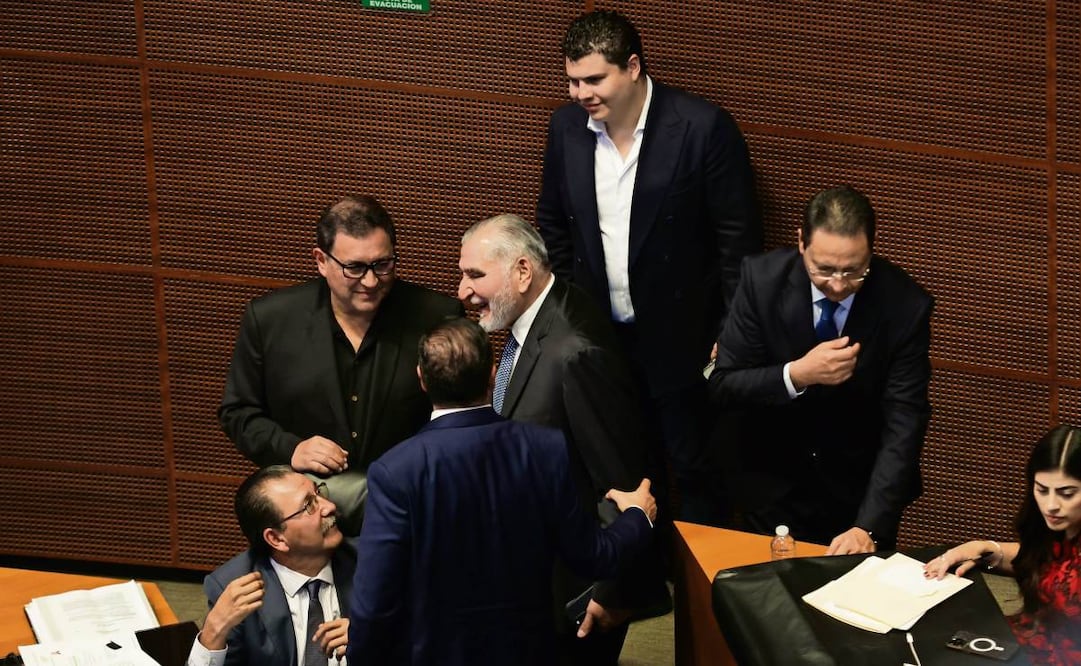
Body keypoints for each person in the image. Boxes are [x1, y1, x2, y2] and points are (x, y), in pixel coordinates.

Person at [536, 10, 762, 524]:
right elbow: (553, 224)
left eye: (594, 79)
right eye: (572, 80)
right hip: (600, 338)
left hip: (686, 339)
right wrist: (569, 310)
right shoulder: (566, 128)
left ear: (633, 67)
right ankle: (636, 568)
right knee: (620, 472)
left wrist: (732, 333)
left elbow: (738, 245)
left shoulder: (702, 128)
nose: (579, 93)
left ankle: (698, 574)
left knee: (695, 471)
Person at [347, 317, 657, 665]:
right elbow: (593, 555)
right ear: (493, 374)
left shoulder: (394, 472)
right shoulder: (544, 449)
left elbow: (373, 605)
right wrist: (637, 516)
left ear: (421, 379)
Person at [457, 213, 668, 665]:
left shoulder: (576, 352)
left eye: (475, 275)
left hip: (577, 593)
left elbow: (623, 481)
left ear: (522, 271)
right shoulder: (539, 317)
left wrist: (611, 589)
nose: (462, 290)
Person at [219, 195, 463, 534]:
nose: (371, 281)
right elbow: (238, 412)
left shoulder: (437, 317)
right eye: (355, 268)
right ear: (321, 260)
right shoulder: (270, 320)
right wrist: (292, 448)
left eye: (383, 264)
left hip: (410, 513)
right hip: (309, 521)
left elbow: (460, 418)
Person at [710, 185, 933, 553]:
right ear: (802, 242)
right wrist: (796, 374)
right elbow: (723, 384)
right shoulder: (761, 281)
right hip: (771, 481)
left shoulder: (905, 305)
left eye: (854, 271)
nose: (838, 285)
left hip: (858, 490)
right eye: (825, 270)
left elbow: (904, 421)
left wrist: (868, 526)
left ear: (871, 249)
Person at [925, 424, 1081, 665]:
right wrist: (988, 549)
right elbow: (1046, 560)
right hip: (1032, 642)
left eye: (1067, 493)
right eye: (1042, 490)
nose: (1051, 505)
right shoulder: (1065, 526)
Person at [188, 465, 355, 666]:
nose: (329, 506)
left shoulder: (371, 562)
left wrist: (373, 636)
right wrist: (214, 630)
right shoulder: (235, 588)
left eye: (318, 492)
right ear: (277, 539)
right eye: (309, 505)